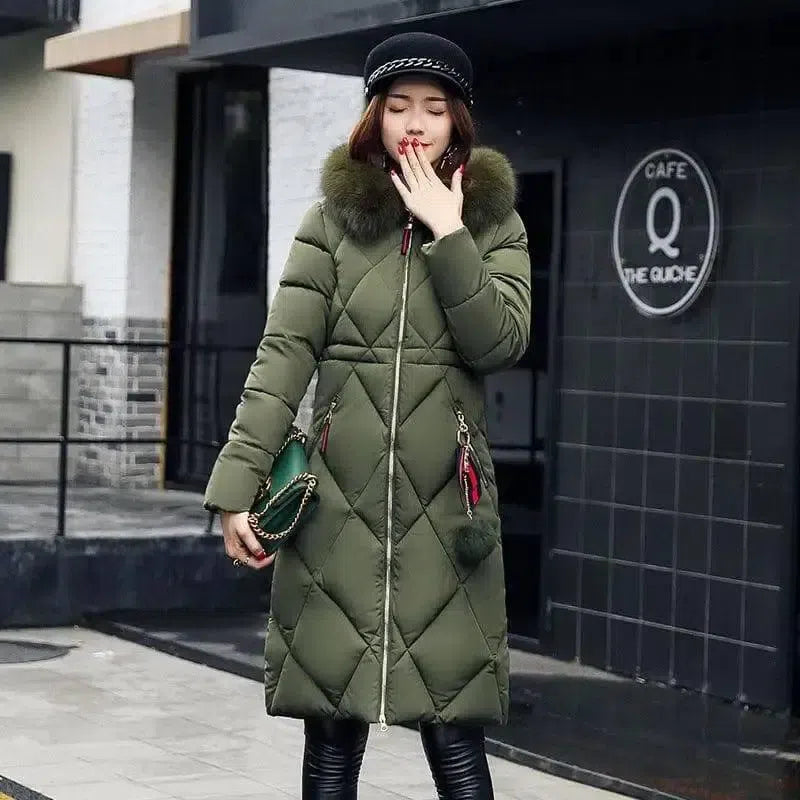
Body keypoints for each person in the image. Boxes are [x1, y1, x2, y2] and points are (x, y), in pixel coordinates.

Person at [204, 30, 532, 800]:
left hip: (447, 514)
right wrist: (235, 490)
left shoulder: (495, 224)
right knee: (330, 735)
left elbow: (500, 344)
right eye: (398, 106)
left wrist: (450, 231)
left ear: (458, 121)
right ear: (374, 116)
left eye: (434, 108)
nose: (415, 123)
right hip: (336, 510)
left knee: (456, 736)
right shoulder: (332, 222)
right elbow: (282, 357)